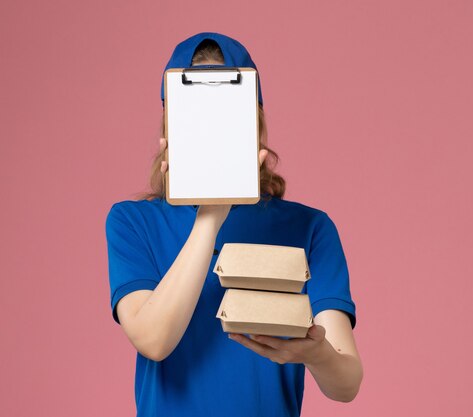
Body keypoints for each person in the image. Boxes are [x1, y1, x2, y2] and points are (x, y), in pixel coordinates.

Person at [105, 32, 363, 417]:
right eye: (196, 117)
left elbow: (346, 383)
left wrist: (318, 353)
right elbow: (153, 339)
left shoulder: (310, 228)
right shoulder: (132, 222)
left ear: (256, 130)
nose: (211, 133)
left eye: (225, 117)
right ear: (169, 135)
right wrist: (211, 216)